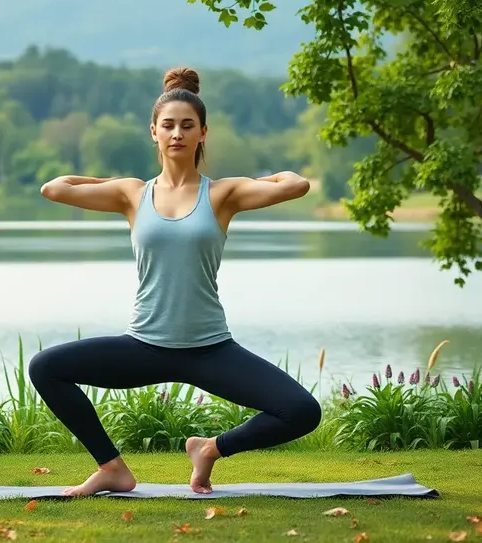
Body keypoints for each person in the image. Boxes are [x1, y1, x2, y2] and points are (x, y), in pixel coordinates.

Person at [28, 66, 322, 497]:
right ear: (154, 132)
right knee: (46, 368)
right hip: (144, 345)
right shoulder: (132, 194)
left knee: (302, 411)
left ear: (203, 132)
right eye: (168, 126)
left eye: (188, 125)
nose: (177, 134)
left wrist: (257, 180)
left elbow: (296, 185)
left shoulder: (222, 194)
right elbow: (53, 188)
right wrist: (113, 184)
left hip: (209, 349)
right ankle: (112, 469)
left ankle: (209, 449)